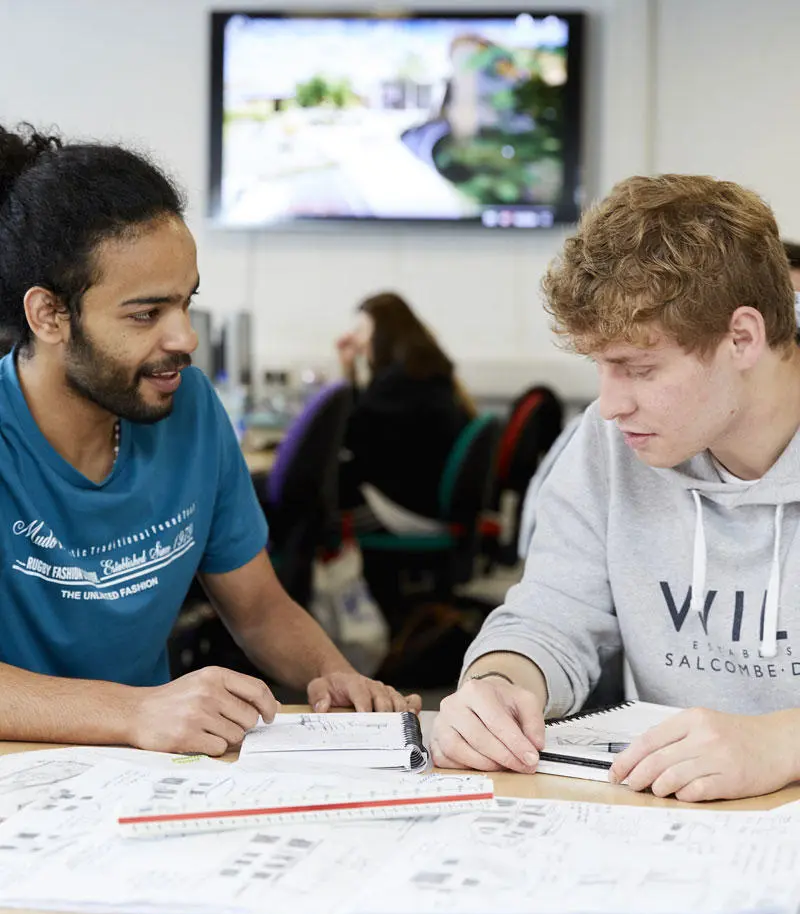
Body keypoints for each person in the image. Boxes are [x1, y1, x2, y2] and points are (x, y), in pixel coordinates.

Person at [0, 123, 420, 756]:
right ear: (50, 315)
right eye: (146, 314)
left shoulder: (189, 407)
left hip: (148, 768)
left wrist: (335, 677)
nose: (185, 338)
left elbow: (257, 608)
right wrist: (134, 711)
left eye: (186, 303)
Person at [432, 173, 800, 803]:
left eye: (639, 369)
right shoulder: (611, 445)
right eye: (601, 367)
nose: (609, 405)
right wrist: (498, 679)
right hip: (665, 820)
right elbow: (551, 617)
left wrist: (781, 742)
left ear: (742, 337)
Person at [335, 292, 475, 520]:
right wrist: (349, 370)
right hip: (426, 495)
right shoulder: (426, 371)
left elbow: (348, 435)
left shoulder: (398, 383)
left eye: (361, 331)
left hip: (409, 504)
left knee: (302, 493)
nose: (357, 341)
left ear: (382, 334)